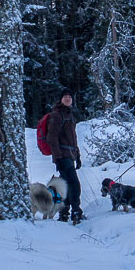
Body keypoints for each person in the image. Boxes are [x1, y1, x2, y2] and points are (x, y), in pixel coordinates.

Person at [46, 89, 84, 224]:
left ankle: (63, 213)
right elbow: (52, 138)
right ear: (60, 99)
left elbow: (73, 139)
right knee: (74, 184)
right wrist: (57, 157)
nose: (68, 99)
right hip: (63, 157)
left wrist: (77, 156)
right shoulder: (56, 115)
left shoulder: (70, 115)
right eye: (65, 97)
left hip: (70, 156)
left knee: (66, 185)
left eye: (70, 97)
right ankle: (75, 212)